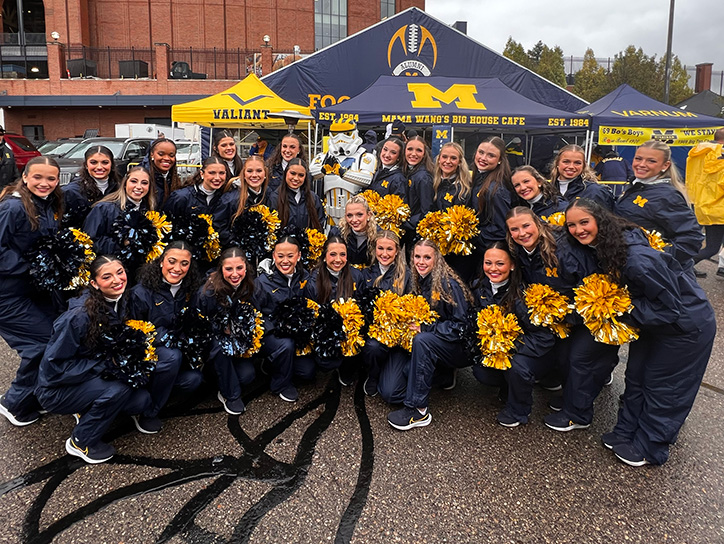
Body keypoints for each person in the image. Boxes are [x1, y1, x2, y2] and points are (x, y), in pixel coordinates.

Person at [565, 198, 715, 466]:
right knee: (636, 377)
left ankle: (651, 447)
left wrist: (619, 309)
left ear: (601, 220)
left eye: (584, 222)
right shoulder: (608, 249)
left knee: (664, 387)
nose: (578, 230)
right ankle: (626, 432)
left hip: (685, 327)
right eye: (571, 225)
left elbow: (669, 307)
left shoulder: (637, 259)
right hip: (652, 324)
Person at [506, 206, 618, 432]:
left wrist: (566, 313)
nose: (522, 233)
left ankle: (578, 414)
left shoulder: (565, 250)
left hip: (592, 314)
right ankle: (572, 400)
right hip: (566, 317)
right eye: (515, 229)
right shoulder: (521, 251)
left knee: (579, 359)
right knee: (565, 356)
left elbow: (593, 286)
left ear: (537, 224)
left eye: (526, 225)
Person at [36, 256, 151, 464]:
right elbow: (55, 368)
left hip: (87, 375)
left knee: (140, 400)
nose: (117, 280)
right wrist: (107, 364)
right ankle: (81, 441)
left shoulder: (122, 299)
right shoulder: (78, 317)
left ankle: (86, 407)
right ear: (94, 283)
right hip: (55, 389)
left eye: (120, 272)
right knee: (118, 389)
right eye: (107, 276)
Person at [0, 157, 63, 426]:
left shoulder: (49, 204)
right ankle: (13, 402)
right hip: (8, 296)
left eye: (51, 178)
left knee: (59, 337)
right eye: (38, 177)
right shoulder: (12, 207)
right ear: (25, 177)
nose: (44, 183)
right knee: (42, 345)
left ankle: (33, 394)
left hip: (33, 291)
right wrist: (31, 266)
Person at [387, 239, 474, 431]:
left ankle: (418, 410)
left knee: (423, 340)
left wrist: (426, 329)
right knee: (402, 380)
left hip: (459, 347)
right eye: (417, 256)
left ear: (437, 259)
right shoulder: (419, 280)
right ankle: (444, 375)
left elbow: (462, 327)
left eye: (427, 257)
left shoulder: (447, 284)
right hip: (439, 344)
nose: (421, 261)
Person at [472, 242, 556, 427]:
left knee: (517, 367)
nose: (493, 269)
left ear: (512, 265)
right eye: (488, 263)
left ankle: (519, 410)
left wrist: (509, 344)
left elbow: (544, 338)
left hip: (534, 353)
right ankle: (508, 387)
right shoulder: (479, 287)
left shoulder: (522, 297)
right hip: (503, 350)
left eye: (500, 264)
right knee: (481, 371)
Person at [128, 241, 203, 432]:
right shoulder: (141, 292)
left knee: (194, 379)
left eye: (184, 263)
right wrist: (170, 338)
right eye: (172, 261)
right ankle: (148, 412)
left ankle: (154, 395)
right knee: (172, 357)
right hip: (150, 354)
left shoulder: (191, 289)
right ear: (161, 261)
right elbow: (134, 332)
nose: (177, 268)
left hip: (177, 350)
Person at [615, 140, 703, 275]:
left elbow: (691, 238)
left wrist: (654, 260)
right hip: (629, 266)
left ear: (665, 165)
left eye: (651, 161)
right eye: (638, 158)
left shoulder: (667, 196)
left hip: (650, 272)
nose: (642, 164)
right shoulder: (636, 186)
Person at [195, 247, 264, 415]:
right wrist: (222, 327)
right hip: (213, 348)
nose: (235, 274)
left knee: (246, 376)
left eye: (239, 268)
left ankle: (224, 379)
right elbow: (198, 326)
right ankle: (229, 394)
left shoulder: (250, 285)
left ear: (246, 268)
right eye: (228, 269)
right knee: (218, 348)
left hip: (237, 345)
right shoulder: (207, 293)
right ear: (221, 269)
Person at [254, 235, 312, 401]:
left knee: (307, 372)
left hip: (296, 337)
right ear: (273, 256)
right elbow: (254, 313)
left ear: (299, 256)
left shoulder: (305, 277)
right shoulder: (262, 282)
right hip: (272, 336)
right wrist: (277, 328)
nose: (285, 261)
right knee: (285, 345)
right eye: (280, 256)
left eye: (290, 256)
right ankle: (280, 384)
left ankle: (275, 364)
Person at [303, 235, 361, 384]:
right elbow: (310, 317)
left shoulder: (356, 276)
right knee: (327, 363)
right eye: (333, 254)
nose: (338, 259)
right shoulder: (313, 282)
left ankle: (349, 364)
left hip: (350, 335)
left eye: (342, 254)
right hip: (326, 336)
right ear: (324, 257)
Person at [360, 230, 411, 399]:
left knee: (389, 391)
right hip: (375, 334)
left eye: (389, 249)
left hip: (397, 337)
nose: (384, 253)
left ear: (397, 251)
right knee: (373, 347)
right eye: (380, 248)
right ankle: (373, 374)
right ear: (375, 249)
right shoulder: (366, 274)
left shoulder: (407, 275)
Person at [309, 120, 376, 226]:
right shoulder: (323, 156)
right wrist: (323, 171)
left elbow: (367, 179)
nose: (341, 139)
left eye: (346, 134)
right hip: (330, 216)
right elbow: (310, 174)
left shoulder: (365, 156)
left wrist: (343, 173)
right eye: (335, 134)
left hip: (356, 219)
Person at [83, 166, 157, 256]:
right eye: (133, 181)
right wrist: (123, 243)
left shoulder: (149, 212)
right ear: (125, 183)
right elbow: (89, 241)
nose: (139, 187)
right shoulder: (104, 208)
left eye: (144, 183)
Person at [216, 155, 277, 247]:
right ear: (243, 174)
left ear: (265, 174)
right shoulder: (230, 199)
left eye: (259, 171)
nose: (254, 175)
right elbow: (219, 227)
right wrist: (238, 245)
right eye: (249, 171)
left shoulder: (270, 195)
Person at [686, 129, 724, 276]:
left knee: (709, 244)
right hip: (719, 206)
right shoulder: (719, 155)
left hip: (702, 202)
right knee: (712, 247)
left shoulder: (698, 152)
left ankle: (686, 265)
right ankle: (684, 266)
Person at [62, 145, 121, 227]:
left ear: (112, 165)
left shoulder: (119, 188)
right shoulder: (71, 192)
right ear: (86, 165)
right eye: (93, 162)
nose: (99, 167)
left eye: (105, 162)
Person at [471, 136, 514, 246]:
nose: (483, 158)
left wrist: (472, 236)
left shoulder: (497, 190)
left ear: (500, 160)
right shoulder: (478, 178)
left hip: (488, 251)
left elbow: (501, 229)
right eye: (481, 152)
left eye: (491, 155)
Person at [549, 144, 614, 210]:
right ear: (557, 163)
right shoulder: (546, 190)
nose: (571, 166)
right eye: (566, 162)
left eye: (577, 163)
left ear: (583, 166)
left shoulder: (595, 192)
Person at [163, 156, 228, 219]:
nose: (217, 178)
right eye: (212, 173)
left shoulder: (226, 197)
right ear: (202, 173)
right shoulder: (181, 197)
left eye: (221, 173)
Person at [276, 158, 326, 231]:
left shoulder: (313, 198)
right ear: (286, 173)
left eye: (301, 175)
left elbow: (319, 225)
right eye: (292, 173)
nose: (296, 178)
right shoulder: (275, 197)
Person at [331, 194, 378, 267]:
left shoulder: (379, 235)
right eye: (349, 215)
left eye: (359, 215)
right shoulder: (336, 233)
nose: (354, 220)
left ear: (369, 215)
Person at [403, 135, 435, 240]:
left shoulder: (423, 177)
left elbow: (426, 210)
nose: (413, 154)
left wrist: (406, 223)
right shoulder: (409, 171)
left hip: (416, 233)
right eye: (410, 149)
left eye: (419, 150)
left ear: (424, 154)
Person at [141, 138, 181, 204]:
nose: (167, 158)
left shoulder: (173, 177)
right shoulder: (142, 175)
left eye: (171, 155)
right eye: (161, 154)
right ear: (152, 154)